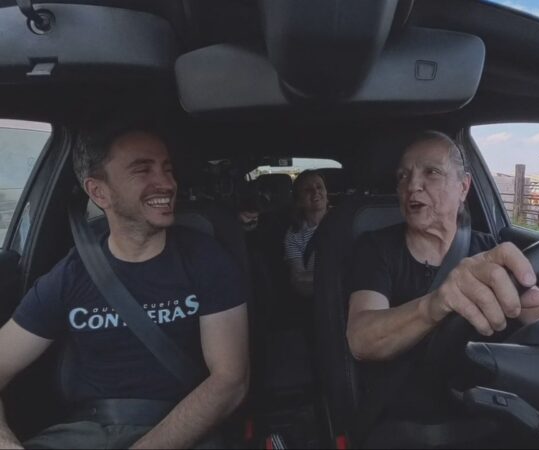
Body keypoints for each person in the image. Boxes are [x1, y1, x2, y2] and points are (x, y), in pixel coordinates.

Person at [346, 130, 539, 445]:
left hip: (490, 408)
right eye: (403, 176)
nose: (412, 185)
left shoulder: (490, 249)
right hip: (411, 423)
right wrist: (434, 304)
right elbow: (362, 339)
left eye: (431, 172)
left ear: (463, 187)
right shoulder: (377, 249)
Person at [0, 126, 249, 449]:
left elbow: (230, 380)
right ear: (98, 192)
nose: (167, 183)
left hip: (181, 429)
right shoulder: (71, 274)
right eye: (143, 170)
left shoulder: (206, 259)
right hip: (85, 432)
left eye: (167, 169)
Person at [284, 170, 328, 298]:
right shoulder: (294, 234)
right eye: (308, 190)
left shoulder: (344, 223)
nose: (315, 192)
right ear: (299, 201)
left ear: (327, 194)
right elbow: (299, 279)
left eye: (319, 187)